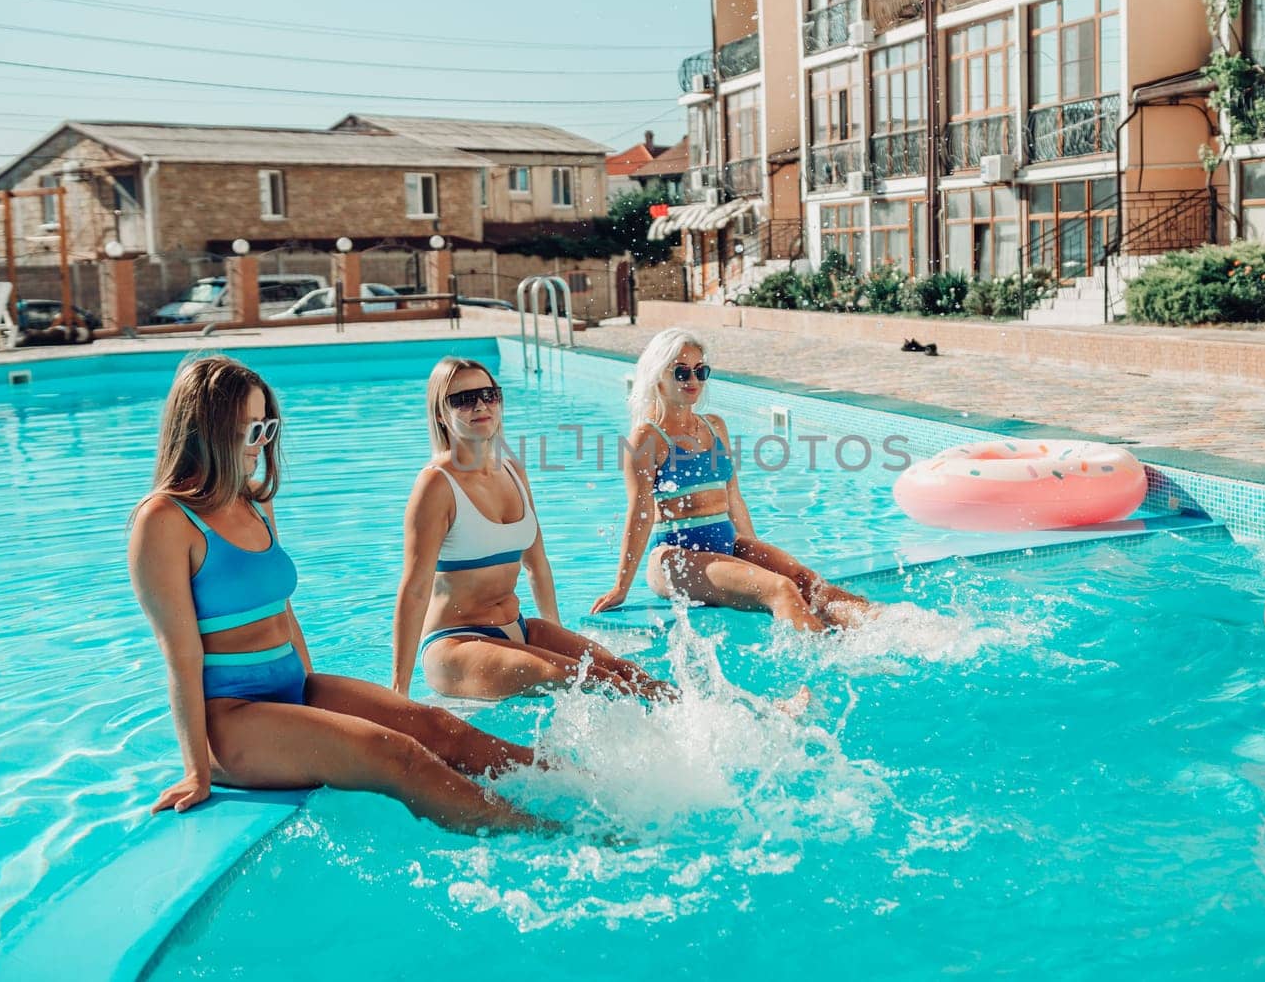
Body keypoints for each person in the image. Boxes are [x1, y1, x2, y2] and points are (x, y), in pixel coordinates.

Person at [128, 355, 539, 835]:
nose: (260, 445)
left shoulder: (255, 501)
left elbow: (285, 613)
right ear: (205, 429)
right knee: (399, 755)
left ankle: (583, 788)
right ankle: (539, 833)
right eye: (247, 430)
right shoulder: (163, 521)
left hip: (292, 689)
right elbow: (179, 654)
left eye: (267, 428)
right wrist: (197, 771)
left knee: (439, 729)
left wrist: (312, 700)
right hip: (231, 719)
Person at [392, 358, 669, 701]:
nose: (480, 406)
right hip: (456, 644)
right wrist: (399, 691)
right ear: (439, 413)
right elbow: (415, 589)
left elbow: (536, 564)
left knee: (624, 671)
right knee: (592, 680)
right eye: (463, 399)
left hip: (518, 628)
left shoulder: (512, 471)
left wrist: (556, 631)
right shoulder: (436, 484)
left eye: (489, 395)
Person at [592, 329, 875, 632]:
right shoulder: (647, 438)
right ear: (658, 375)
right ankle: (827, 663)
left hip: (728, 545)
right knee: (781, 590)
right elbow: (640, 514)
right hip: (675, 560)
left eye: (701, 372)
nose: (693, 381)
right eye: (682, 372)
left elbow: (734, 498)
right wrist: (621, 586)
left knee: (808, 582)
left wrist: (756, 552)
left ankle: (884, 627)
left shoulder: (714, 426)